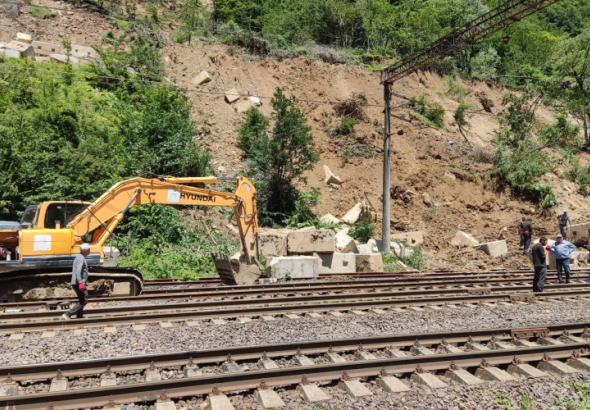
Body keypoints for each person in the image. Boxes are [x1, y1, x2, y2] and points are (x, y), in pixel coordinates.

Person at [62, 243, 90, 320]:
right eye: (89, 250)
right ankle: (68, 314)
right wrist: (81, 282)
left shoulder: (78, 257)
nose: (90, 251)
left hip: (77, 282)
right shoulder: (81, 258)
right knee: (84, 300)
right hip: (78, 283)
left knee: (81, 300)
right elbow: (78, 271)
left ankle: (79, 316)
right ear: (85, 250)